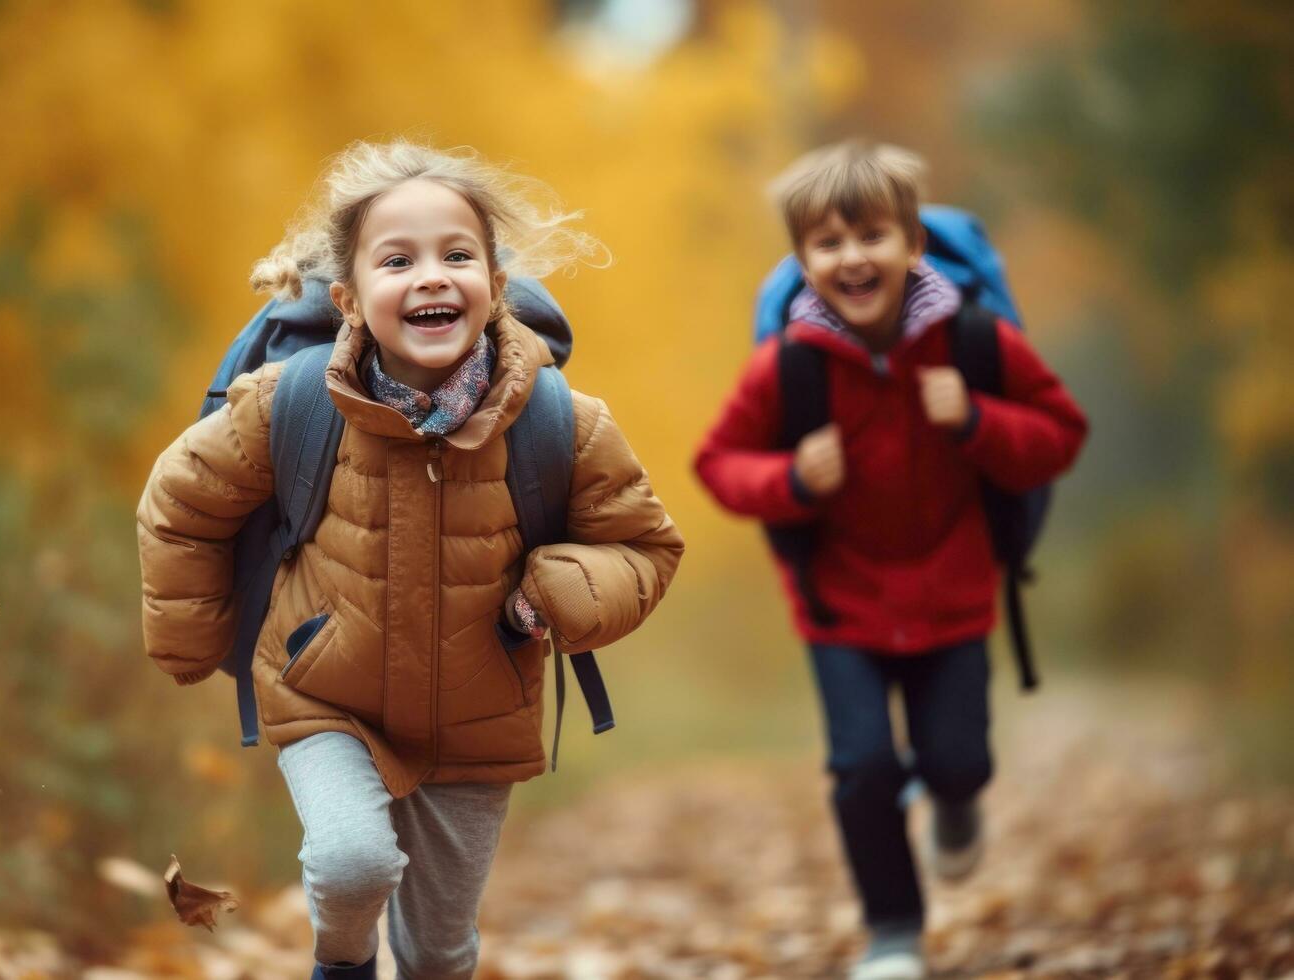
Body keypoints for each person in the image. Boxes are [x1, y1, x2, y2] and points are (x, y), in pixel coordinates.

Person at [139, 140, 685, 979]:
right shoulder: (290, 404)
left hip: (478, 719)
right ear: (348, 298)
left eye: (456, 255)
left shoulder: (559, 423)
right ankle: (344, 967)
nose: (431, 276)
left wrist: (563, 591)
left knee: (437, 951)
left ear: (495, 286)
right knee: (351, 864)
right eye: (398, 260)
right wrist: (193, 638)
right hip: (325, 693)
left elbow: (644, 545)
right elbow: (179, 501)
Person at [694, 139, 1088, 980]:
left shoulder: (975, 343)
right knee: (862, 766)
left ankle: (953, 800)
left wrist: (978, 421)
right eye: (826, 243)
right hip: (839, 606)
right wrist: (793, 477)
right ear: (801, 261)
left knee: (958, 761)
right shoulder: (789, 364)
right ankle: (893, 935)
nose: (851, 257)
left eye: (870, 234)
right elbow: (718, 465)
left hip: (953, 594)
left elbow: (1059, 436)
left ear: (912, 245)